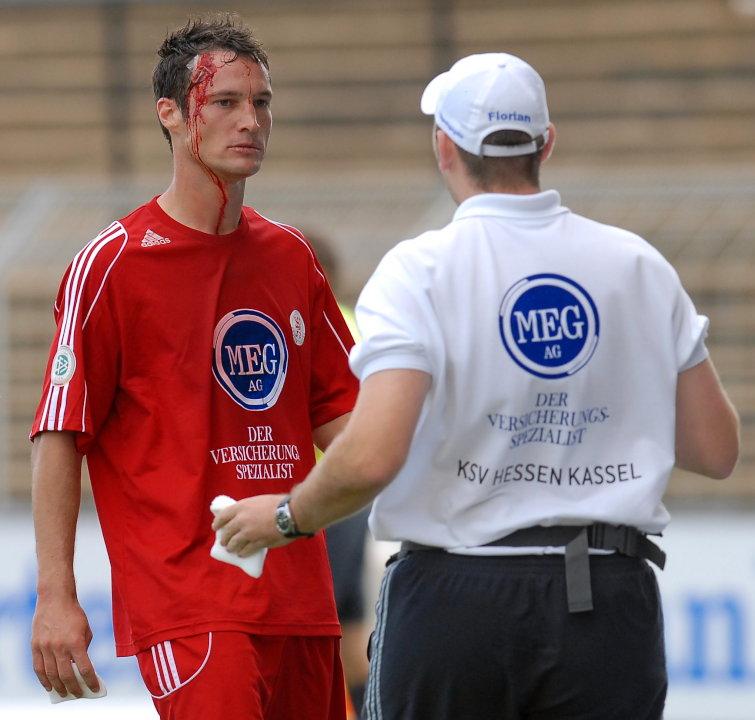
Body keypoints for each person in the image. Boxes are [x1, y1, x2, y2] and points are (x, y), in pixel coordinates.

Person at [212, 53, 741, 719]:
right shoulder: (636, 265)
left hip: (456, 595)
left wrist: (285, 517)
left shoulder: (420, 270)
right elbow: (713, 449)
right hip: (606, 596)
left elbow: (373, 453)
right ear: (544, 143)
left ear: (444, 147)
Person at [29, 14, 357, 720]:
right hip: (191, 605)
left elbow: (346, 420)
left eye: (261, 103)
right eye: (225, 102)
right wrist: (55, 597)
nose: (251, 122)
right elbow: (60, 433)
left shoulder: (292, 257)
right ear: (172, 115)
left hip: (302, 601)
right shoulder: (112, 265)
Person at [306, 233, 371, 718]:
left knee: (325, 624)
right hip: (351, 498)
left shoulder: (315, 327)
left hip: (314, 496)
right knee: (348, 621)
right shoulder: (357, 326)